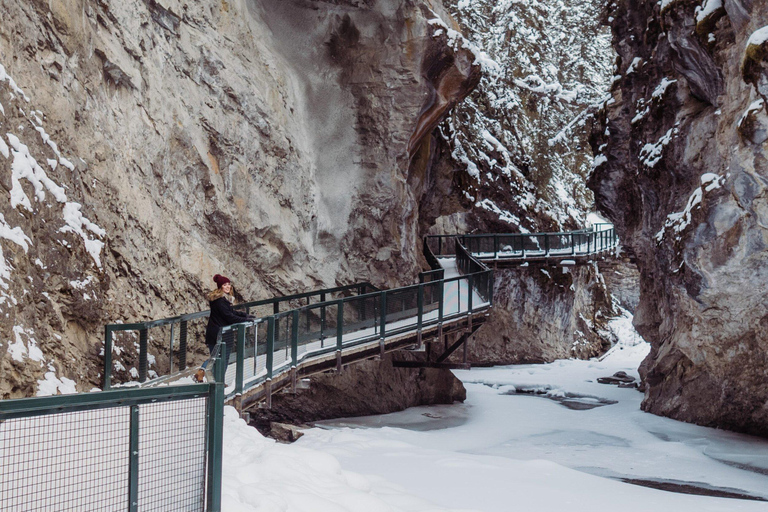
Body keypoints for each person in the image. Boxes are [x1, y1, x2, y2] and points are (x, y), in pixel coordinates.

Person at [205, 274, 252, 363]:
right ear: (220, 287)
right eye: (224, 285)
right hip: (219, 334)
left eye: (228, 284)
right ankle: (209, 372)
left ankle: (204, 371)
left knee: (216, 359)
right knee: (220, 360)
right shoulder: (220, 301)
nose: (228, 286)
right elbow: (229, 317)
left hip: (218, 333)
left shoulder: (222, 299)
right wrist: (244, 319)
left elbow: (231, 312)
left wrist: (244, 315)